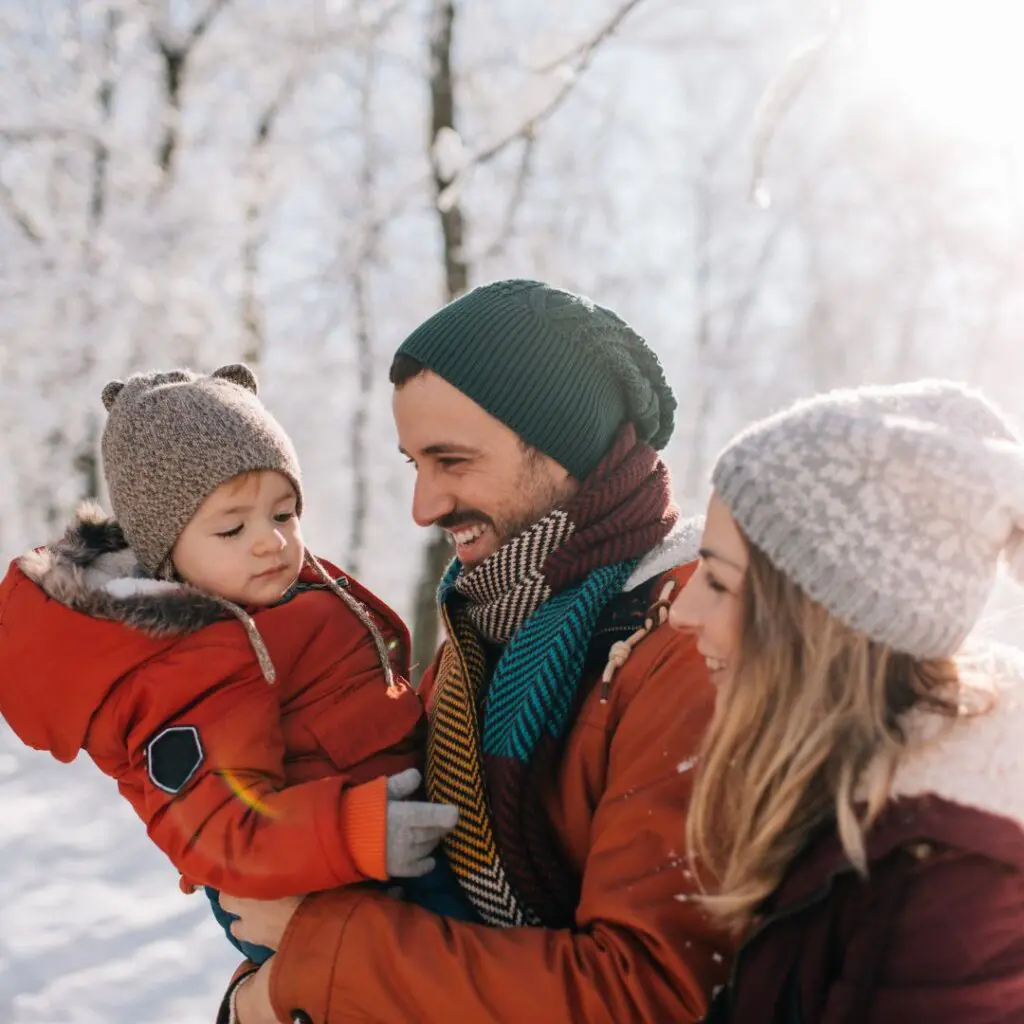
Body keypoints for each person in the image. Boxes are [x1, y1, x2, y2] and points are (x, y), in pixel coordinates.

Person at [219, 280, 733, 1023]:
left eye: (452, 462)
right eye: (413, 466)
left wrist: (318, 955)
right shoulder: (480, 628)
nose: (423, 507)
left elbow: (646, 994)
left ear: (563, 446)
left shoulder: (688, 643)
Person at [0, 363, 462, 972]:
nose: (270, 541)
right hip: (325, 874)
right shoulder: (187, 664)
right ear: (167, 553)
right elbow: (216, 827)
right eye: (232, 527)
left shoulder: (274, 595)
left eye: (284, 513)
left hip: (379, 835)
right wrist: (354, 833)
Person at [667, 379, 1024, 1022]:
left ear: (818, 626)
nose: (681, 613)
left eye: (718, 582)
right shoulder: (853, 809)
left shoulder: (954, 896)